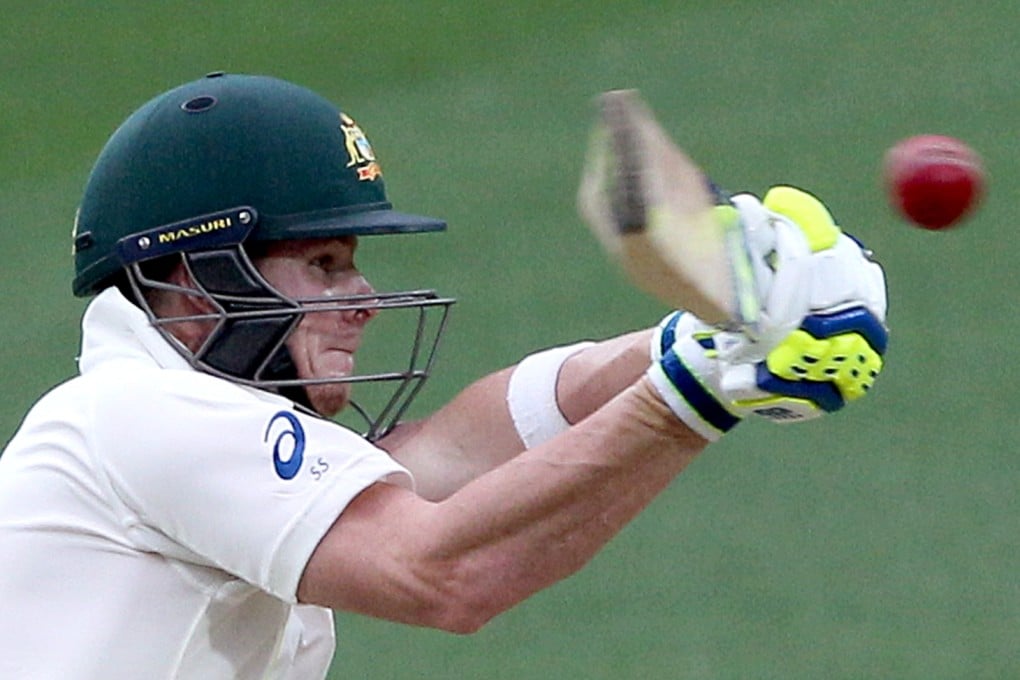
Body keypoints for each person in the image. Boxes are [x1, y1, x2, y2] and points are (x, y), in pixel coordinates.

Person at [0, 72, 888, 679]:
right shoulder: (142, 413)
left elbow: (467, 452)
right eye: (323, 263)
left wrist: (710, 326)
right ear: (197, 281)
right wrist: (693, 392)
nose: (362, 299)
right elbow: (440, 571)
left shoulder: (168, 424)